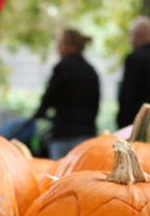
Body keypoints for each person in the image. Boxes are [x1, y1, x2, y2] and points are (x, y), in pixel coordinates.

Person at [32, 29, 100, 159]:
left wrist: (40, 112)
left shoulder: (63, 67)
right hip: (86, 134)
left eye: (60, 44)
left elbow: (50, 96)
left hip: (64, 133)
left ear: (70, 45)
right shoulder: (91, 71)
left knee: (59, 175)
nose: (57, 48)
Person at [116, 16, 150, 133]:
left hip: (134, 125)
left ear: (137, 35)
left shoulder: (134, 59)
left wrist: (121, 125)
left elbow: (127, 96)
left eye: (131, 35)